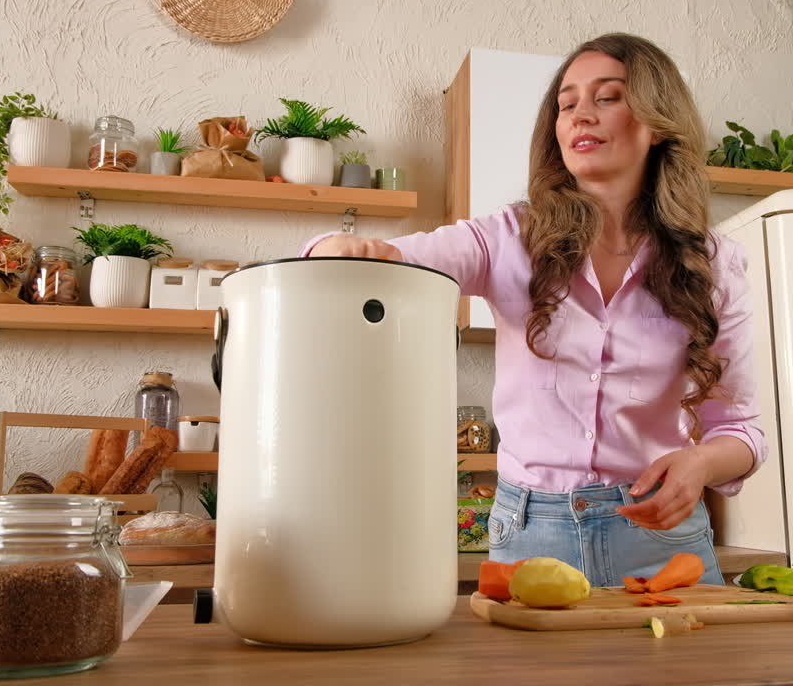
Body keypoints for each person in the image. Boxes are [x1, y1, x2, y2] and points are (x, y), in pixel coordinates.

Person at [303, 33, 765, 587]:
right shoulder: (507, 238)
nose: (579, 116)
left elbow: (740, 430)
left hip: (664, 541)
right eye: (566, 105)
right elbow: (396, 259)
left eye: (607, 97)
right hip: (530, 534)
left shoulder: (714, 263)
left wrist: (700, 465)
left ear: (656, 123)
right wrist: (339, 250)